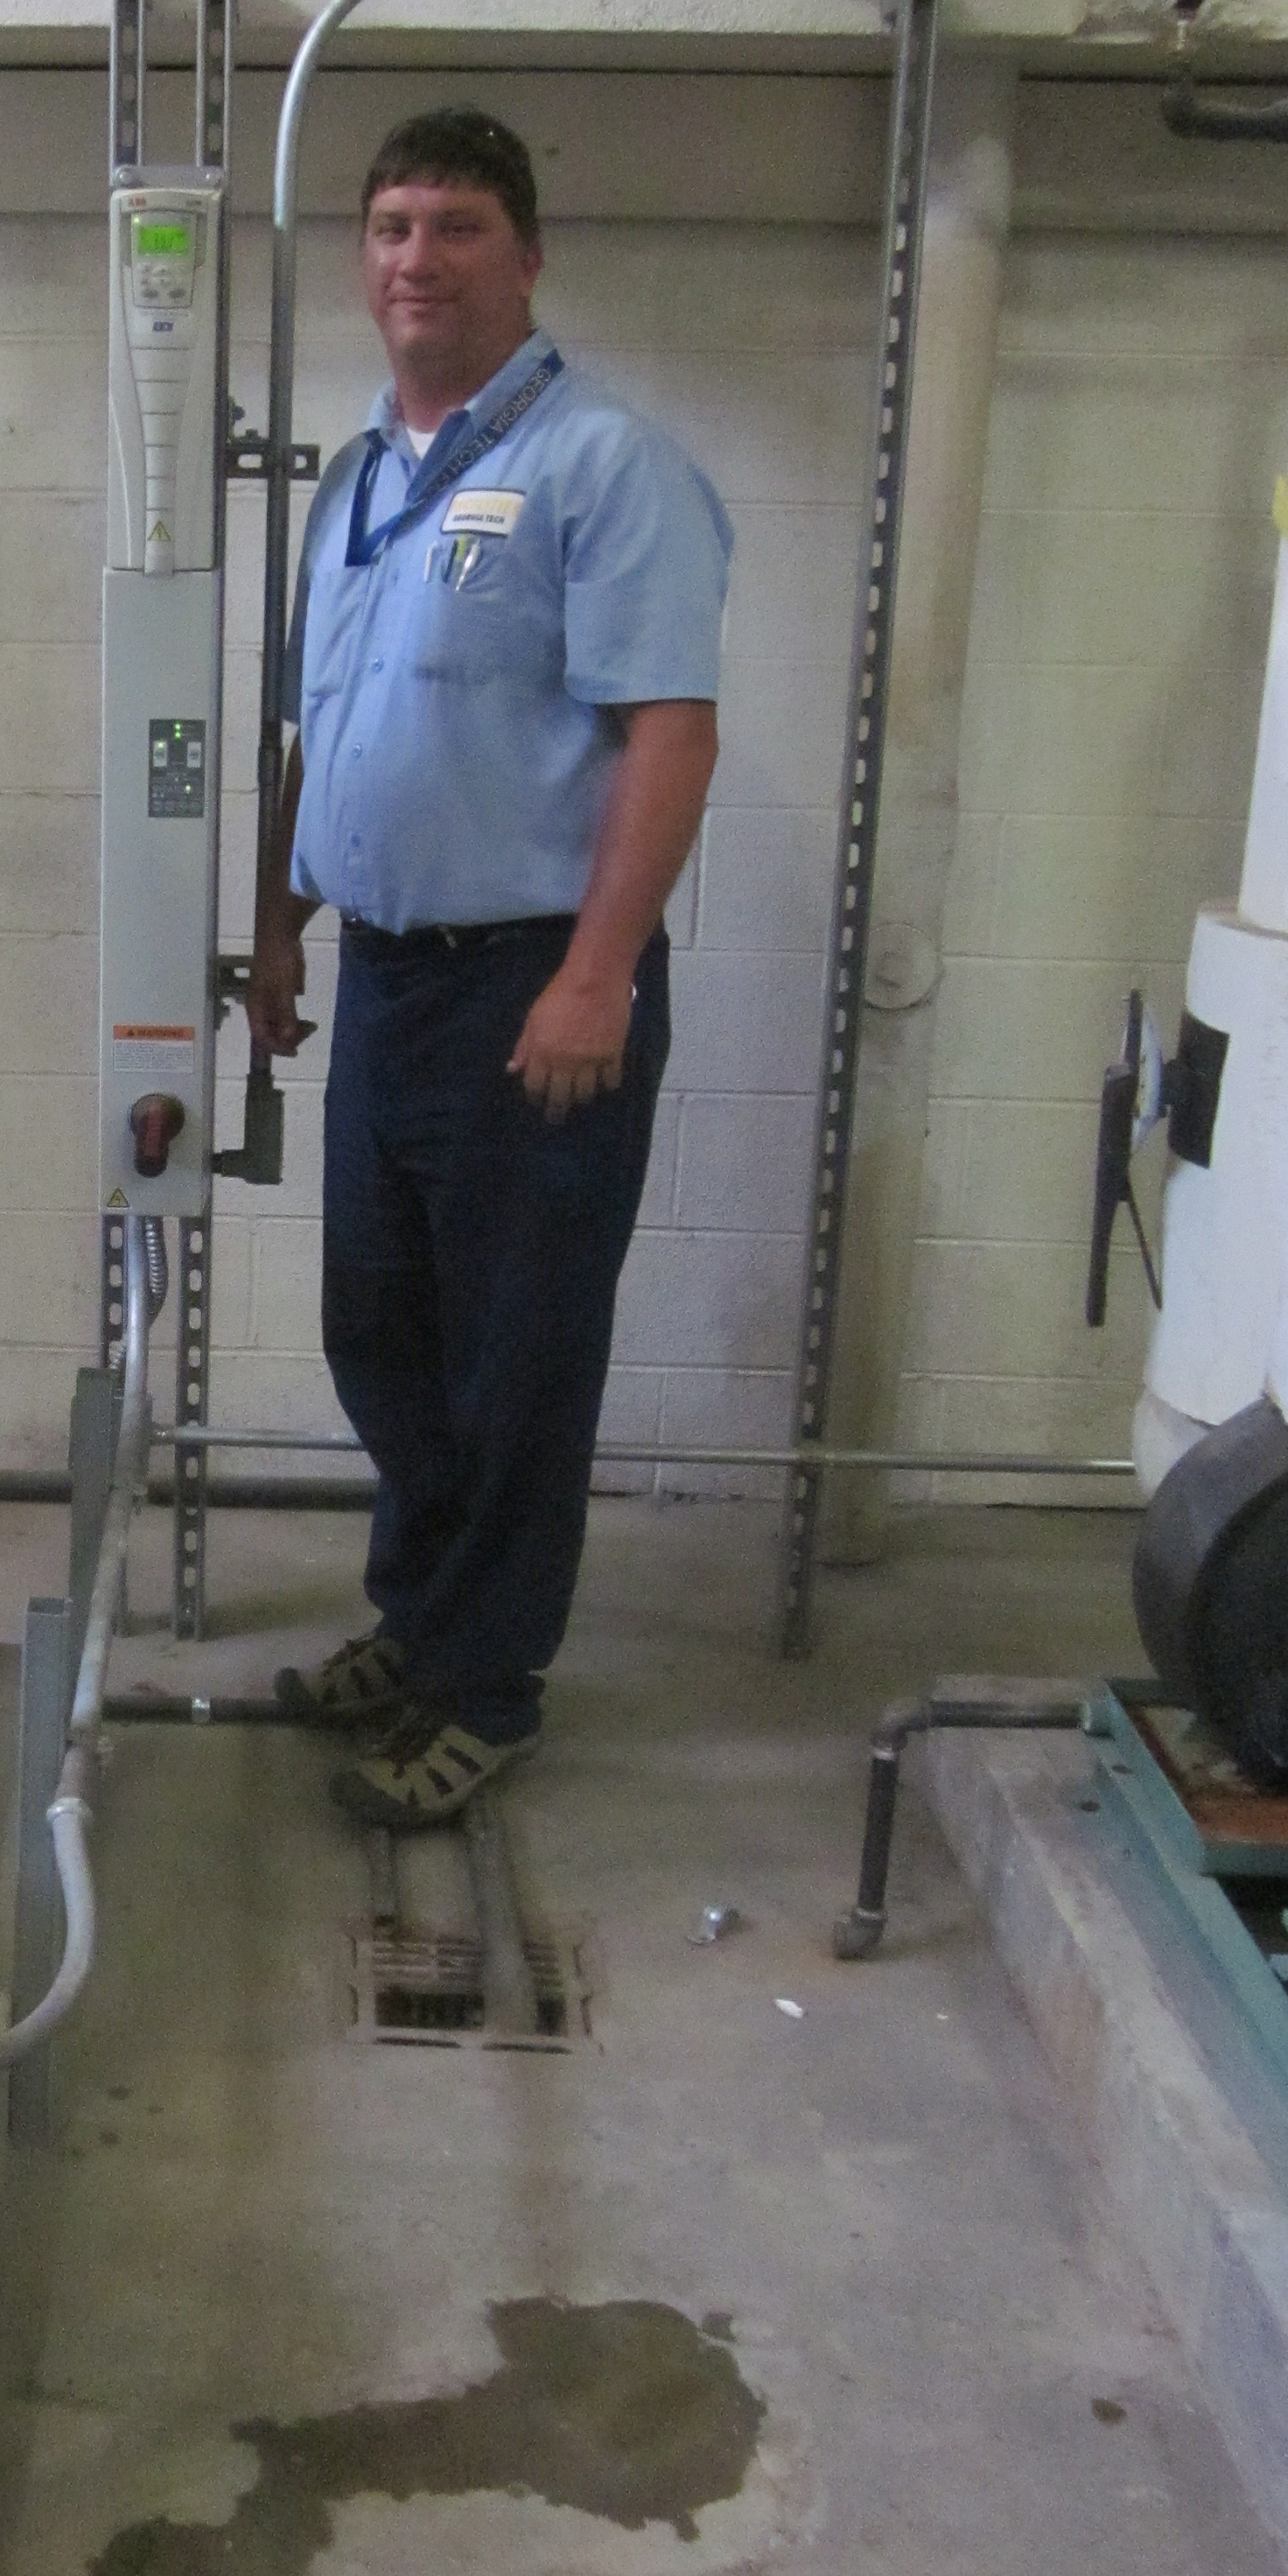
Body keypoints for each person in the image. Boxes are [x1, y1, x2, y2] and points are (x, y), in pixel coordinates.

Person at [249, 105, 730, 1830]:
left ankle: (486, 1685)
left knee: (513, 1356)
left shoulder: (607, 465)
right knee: (383, 1329)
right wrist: (282, 921)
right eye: (388, 226)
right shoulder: (364, 475)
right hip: (388, 975)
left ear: (526, 256)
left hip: (539, 980)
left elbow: (672, 731)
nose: (414, 258)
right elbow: (333, 726)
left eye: (455, 226)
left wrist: (598, 973)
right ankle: (419, 1616)